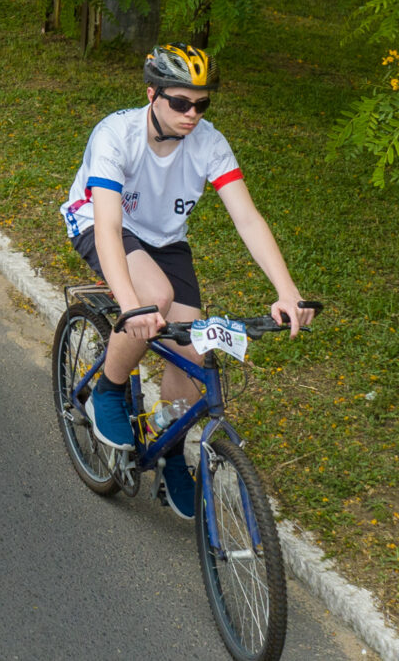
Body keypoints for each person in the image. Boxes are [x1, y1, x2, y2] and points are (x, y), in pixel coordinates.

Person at [63, 45, 316, 522]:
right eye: (181, 102)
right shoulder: (117, 135)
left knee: (193, 349)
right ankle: (108, 392)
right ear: (152, 94)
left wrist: (288, 291)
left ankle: (172, 449)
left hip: (165, 239)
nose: (192, 114)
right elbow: (110, 227)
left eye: (202, 104)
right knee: (154, 297)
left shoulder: (208, 142)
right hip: (101, 222)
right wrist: (131, 305)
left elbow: (247, 218)